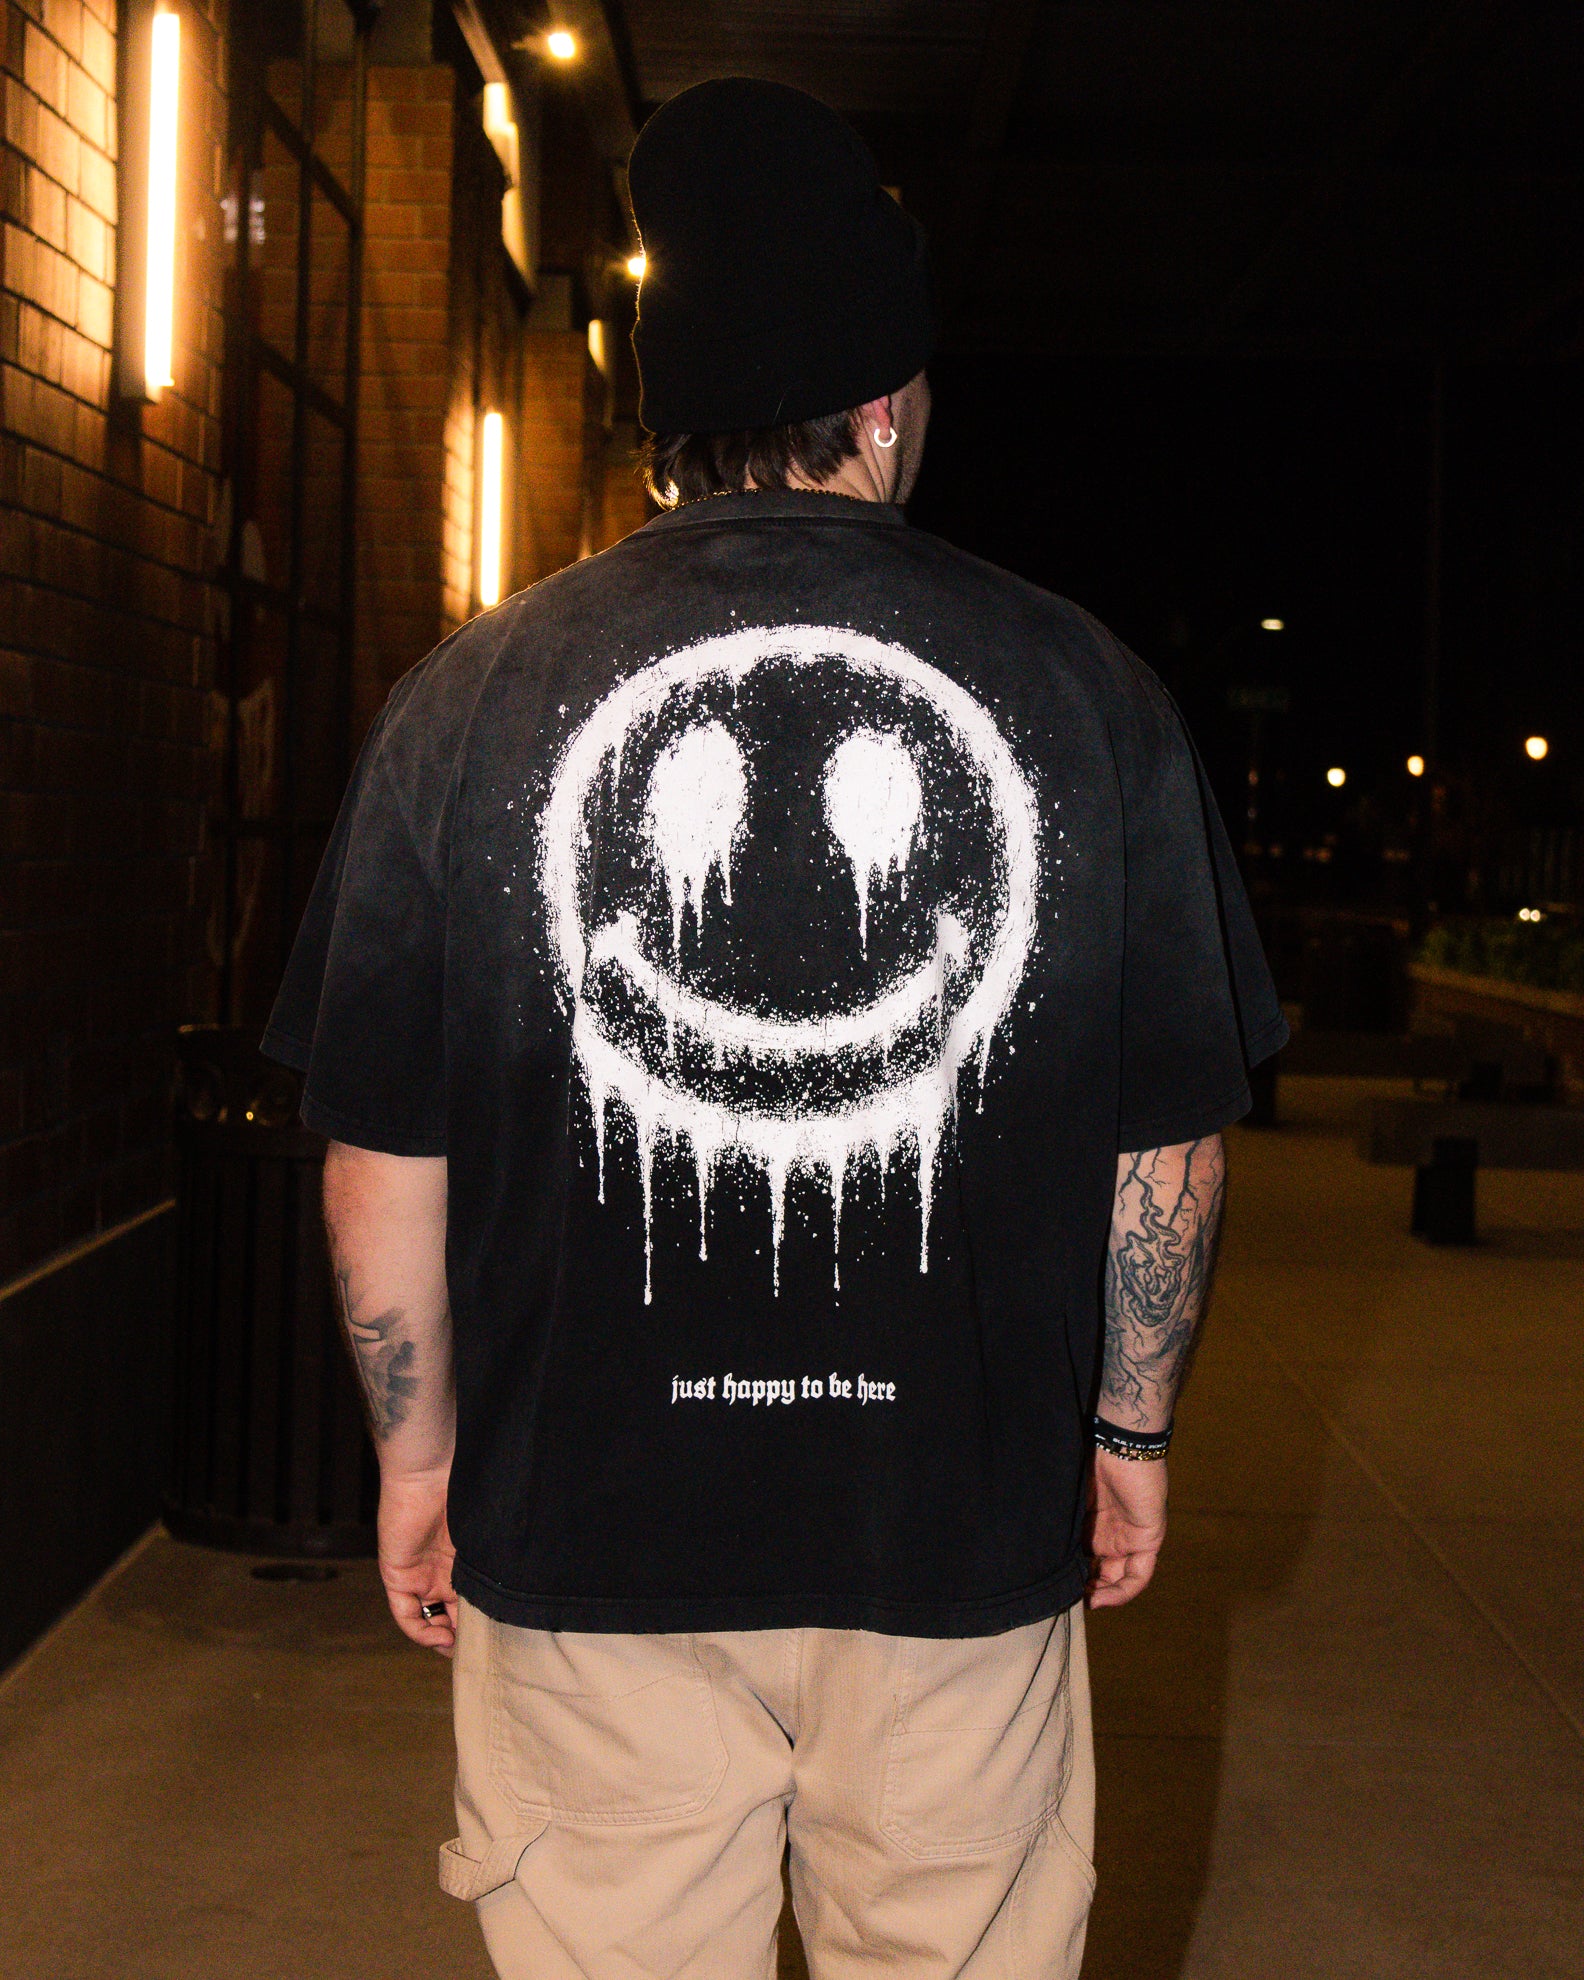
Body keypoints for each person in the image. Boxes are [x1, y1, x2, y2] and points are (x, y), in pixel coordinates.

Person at [264, 76, 1286, 1980]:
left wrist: (420, 1461)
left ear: (671, 421)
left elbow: (384, 1149)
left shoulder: (468, 701)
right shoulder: (1089, 691)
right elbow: (1166, 1143)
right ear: (885, 406)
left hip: (591, 1546)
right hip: (957, 1546)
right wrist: (1127, 1428)